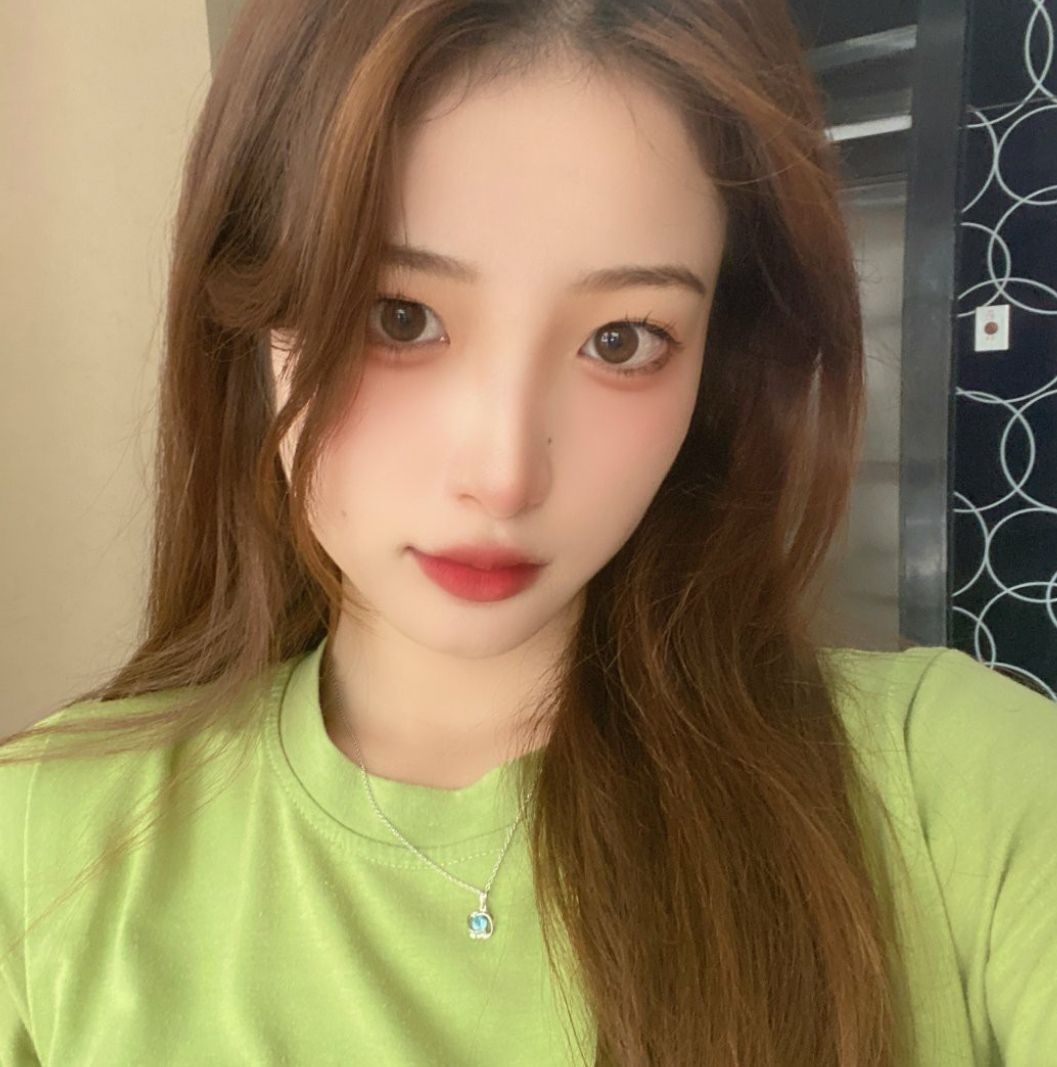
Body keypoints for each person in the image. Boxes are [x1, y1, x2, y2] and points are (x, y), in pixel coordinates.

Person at [2, 0, 1055, 1063]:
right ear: (248, 309)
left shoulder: (956, 788)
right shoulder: (43, 849)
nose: (505, 474)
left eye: (623, 339)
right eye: (397, 316)